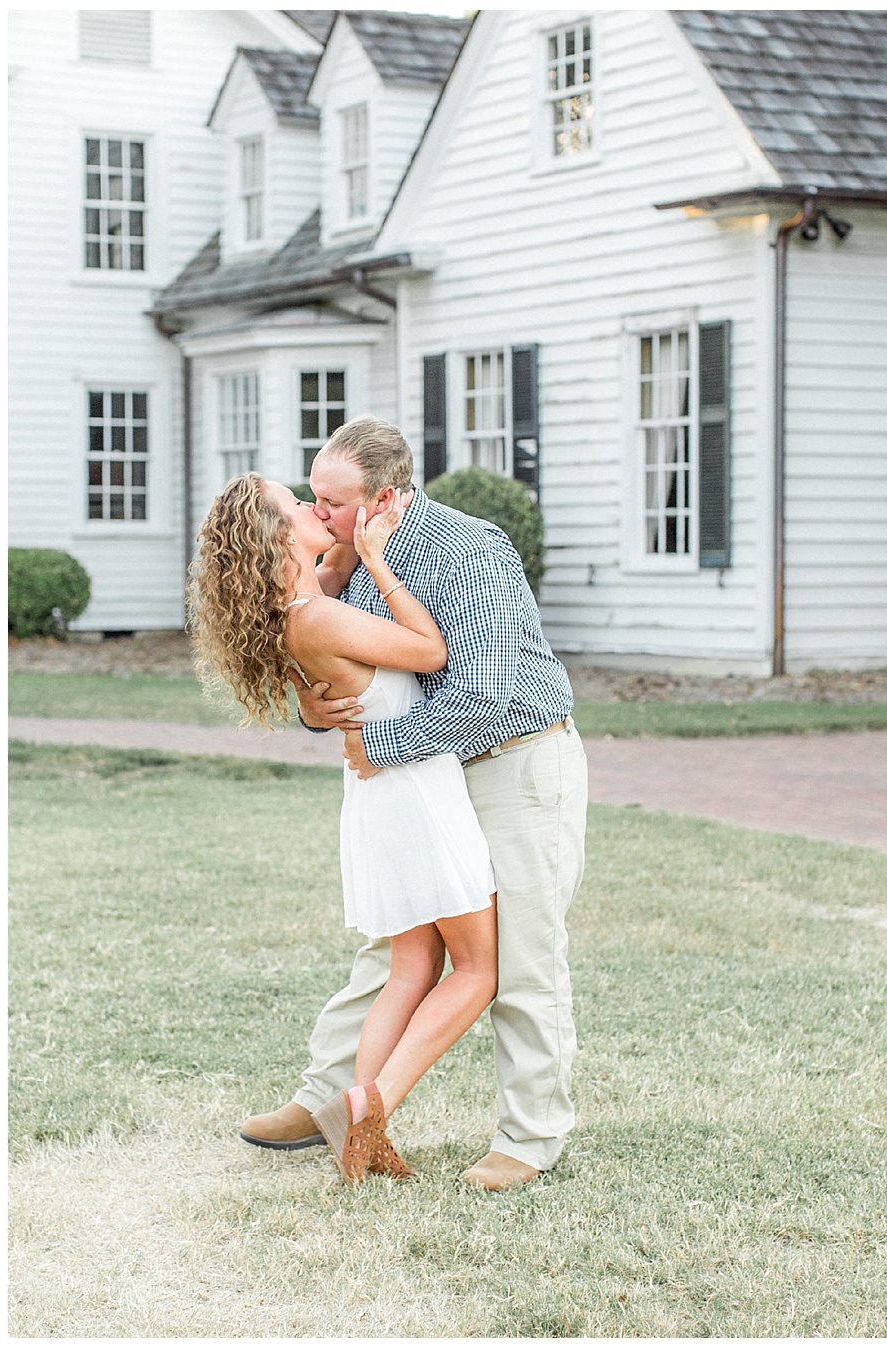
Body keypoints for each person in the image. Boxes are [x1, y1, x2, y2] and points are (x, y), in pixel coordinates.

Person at [231, 417, 587, 1192]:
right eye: (311, 499)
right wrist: (315, 711)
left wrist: (380, 747)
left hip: (514, 760)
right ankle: (332, 1100)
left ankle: (529, 1139)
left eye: (331, 502)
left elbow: (483, 694)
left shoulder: (468, 550)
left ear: (383, 497)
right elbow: (324, 655)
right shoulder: (345, 557)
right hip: (429, 775)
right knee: (393, 954)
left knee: (517, 957)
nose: (316, 514)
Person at [190, 475, 499, 1181]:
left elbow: (327, 575)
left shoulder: (293, 610)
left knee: (413, 966)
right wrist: (383, 562)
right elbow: (431, 652)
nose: (310, 506)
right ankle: (369, 1105)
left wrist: (348, 552)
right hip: (416, 791)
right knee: (478, 969)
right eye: (295, 505)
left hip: (383, 795)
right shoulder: (318, 617)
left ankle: (364, 1133)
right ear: (275, 536)